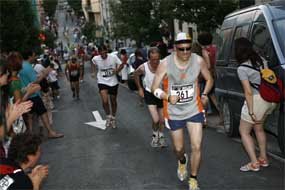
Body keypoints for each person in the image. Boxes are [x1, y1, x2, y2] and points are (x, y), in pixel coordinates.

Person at [151, 32, 213, 190]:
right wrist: (166, 96)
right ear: (175, 49)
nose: (185, 52)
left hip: (194, 109)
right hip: (174, 112)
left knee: (197, 146)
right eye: (182, 49)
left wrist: (205, 94)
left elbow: (209, 79)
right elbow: (154, 88)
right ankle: (182, 161)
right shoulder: (165, 63)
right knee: (179, 149)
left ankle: (193, 179)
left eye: (188, 49)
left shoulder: (198, 61)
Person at [235, 37, 277, 172]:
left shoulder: (242, 68)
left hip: (256, 101)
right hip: (269, 100)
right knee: (259, 129)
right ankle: (263, 158)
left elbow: (248, 91)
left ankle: (254, 163)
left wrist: (251, 111)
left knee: (244, 131)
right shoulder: (261, 60)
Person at [19, 50, 63, 138]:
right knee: (43, 113)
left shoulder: (21, 66)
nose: (35, 57)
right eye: (34, 55)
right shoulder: (27, 67)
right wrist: (44, 73)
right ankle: (50, 132)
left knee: (30, 116)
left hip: (25, 94)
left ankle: (30, 135)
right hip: (33, 94)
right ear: (29, 56)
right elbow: (35, 81)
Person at [134, 47, 167, 147]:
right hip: (149, 93)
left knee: (162, 120)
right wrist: (139, 88)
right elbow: (135, 75)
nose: (155, 61)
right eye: (153, 59)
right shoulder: (143, 67)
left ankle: (161, 137)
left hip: (162, 94)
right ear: (148, 58)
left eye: (157, 59)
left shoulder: (164, 65)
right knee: (156, 119)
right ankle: (154, 136)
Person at [91, 45, 126, 128]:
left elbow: (122, 65)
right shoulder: (96, 58)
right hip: (102, 81)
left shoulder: (113, 57)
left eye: (104, 52)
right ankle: (108, 116)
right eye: (101, 52)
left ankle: (113, 118)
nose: (103, 54)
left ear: (107, 51)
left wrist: (116, 71)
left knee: (113, 101)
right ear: (99, 53)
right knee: (105, 100)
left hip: (113, 82)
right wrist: (93, 72)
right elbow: (92, 62)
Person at [197, 32, 223, 126]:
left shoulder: (205, 51)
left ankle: (204, 120)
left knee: (204, 97)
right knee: (214, 97)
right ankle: (222, 117)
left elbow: (207, 65)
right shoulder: (215, 48)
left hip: (207, 76)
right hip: (217, 74)